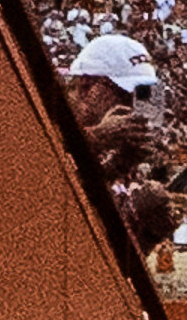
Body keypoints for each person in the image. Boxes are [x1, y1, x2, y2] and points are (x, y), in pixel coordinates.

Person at [62, 33, 175, 251]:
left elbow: (97, 249)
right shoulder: (48, 116)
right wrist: (96, 139)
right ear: (87, 83)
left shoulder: (112, 147)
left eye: (140, 97)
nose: (132, 106)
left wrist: (150, 233)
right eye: (124, 94)